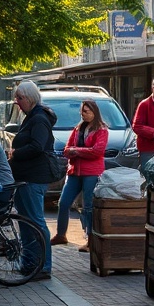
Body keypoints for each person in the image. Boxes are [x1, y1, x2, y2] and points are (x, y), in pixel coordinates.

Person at [6, 80, 56, 281]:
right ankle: (30, 264)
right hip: (26, 176)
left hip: (34, 177)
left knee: (35, 221)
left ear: (30, 98)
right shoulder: (31, 117)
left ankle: (43, 266)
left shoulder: (39, 119)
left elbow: (37, 146)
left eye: (20, 98)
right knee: (26, 222)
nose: (17, 102)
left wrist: (16, 153)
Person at [52, 100, 108, 252]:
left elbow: (97, 151)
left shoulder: (102, 129)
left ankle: (90, 240)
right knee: (63, 203)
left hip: (92, 172)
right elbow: (65, 150)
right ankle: (61, 234)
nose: (84, 114)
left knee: (88, 206)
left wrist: (76, 151)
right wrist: (77, 150)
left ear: (94, 112)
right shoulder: (78, 128)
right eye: (82, 112)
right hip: (75, 171)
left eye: (87, 112)